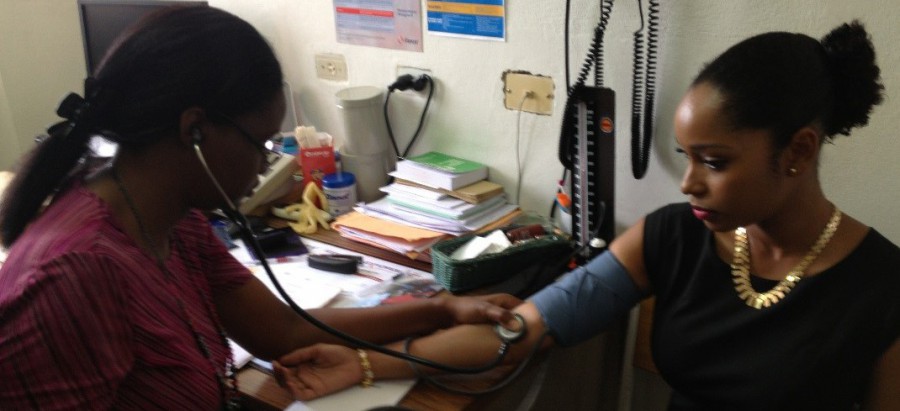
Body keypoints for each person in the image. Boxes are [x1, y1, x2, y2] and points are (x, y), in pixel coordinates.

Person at [273, 21, 900, 410]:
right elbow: (521, 330)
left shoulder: (883, 288)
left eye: (714, 162)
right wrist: (366, 364)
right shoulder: (673, 236)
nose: (688, 183)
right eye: (686, 157)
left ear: (797, 152)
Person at [0, 6, 520, 410]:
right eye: (263, 143)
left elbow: (281, 332)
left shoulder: (174, 219)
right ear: (194, 130)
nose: (269, 164)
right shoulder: (73, 277)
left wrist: (442, 309)